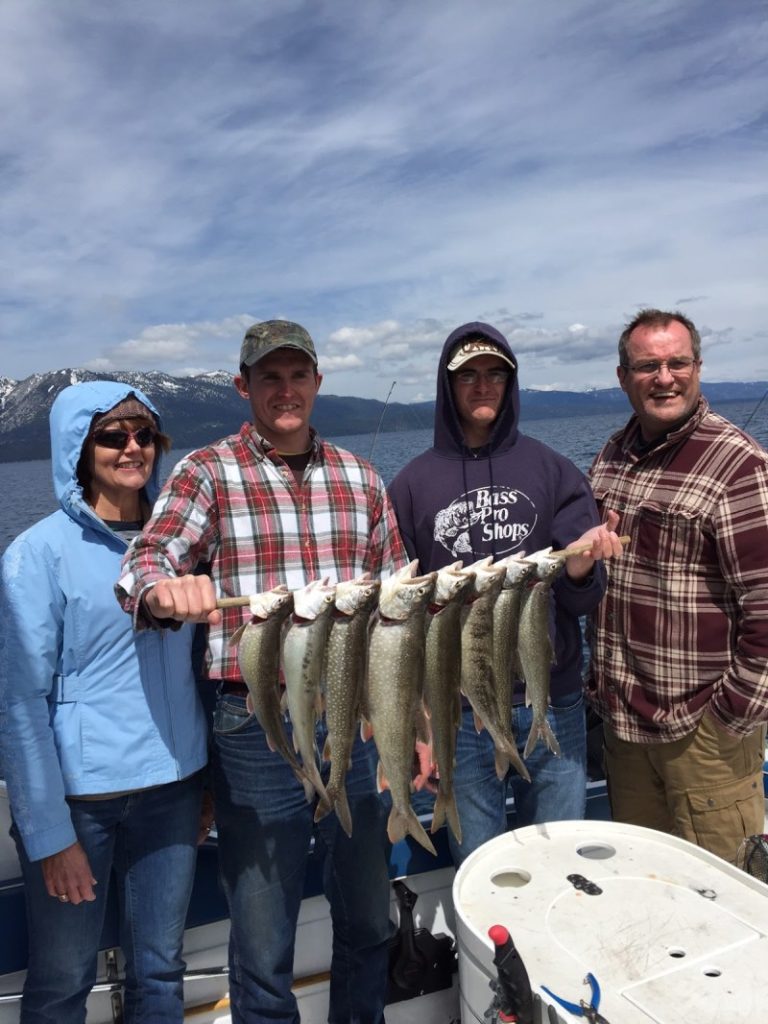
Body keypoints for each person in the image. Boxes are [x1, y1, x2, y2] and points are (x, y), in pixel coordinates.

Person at [116, 320, 407, 1024]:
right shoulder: (206, 471)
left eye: (297, 375)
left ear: (317, 382)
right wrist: (162, 592)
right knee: (264, 934)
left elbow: (395, 594)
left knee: (369, 914)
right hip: (255, 723)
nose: (285, 391)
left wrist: (412, 725)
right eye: (269, 378)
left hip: (352, 713)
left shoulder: (360, 477)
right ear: (244, 386)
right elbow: (145, 560)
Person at [0, 381, 209, 1024]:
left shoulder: (181, 546)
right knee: (63, 980)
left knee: (160, 971)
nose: (132, 448)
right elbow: (19, 703)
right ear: (78, 449)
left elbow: (205, 671)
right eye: (112, 436)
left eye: (144, 435)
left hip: (174, 791)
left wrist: (208, 787)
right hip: (80, 805)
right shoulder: (37, 555)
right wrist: (48, 834)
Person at [388, 322, 623, 865]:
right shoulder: (408, 486)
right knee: (479, 864)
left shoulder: (554, 470)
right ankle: (485, 951)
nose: (482, 385)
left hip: (551, 700)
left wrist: (583, 570)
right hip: (460, 711)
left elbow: (582, 603)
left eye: (495, 373)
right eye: (467, 375)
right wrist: (419, 721)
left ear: (511, 382)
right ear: (447, 387)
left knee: (561, 859)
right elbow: (400, 620)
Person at [586, 308, 768, 864]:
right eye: (647, 366)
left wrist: (726, 720)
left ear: (697, 367)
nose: (664, 377)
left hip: (701, 736)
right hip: (624, 729)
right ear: (623, 378)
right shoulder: (611, 458)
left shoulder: (737, 464)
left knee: (726, 900)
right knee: (651, 886)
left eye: (677, 362)